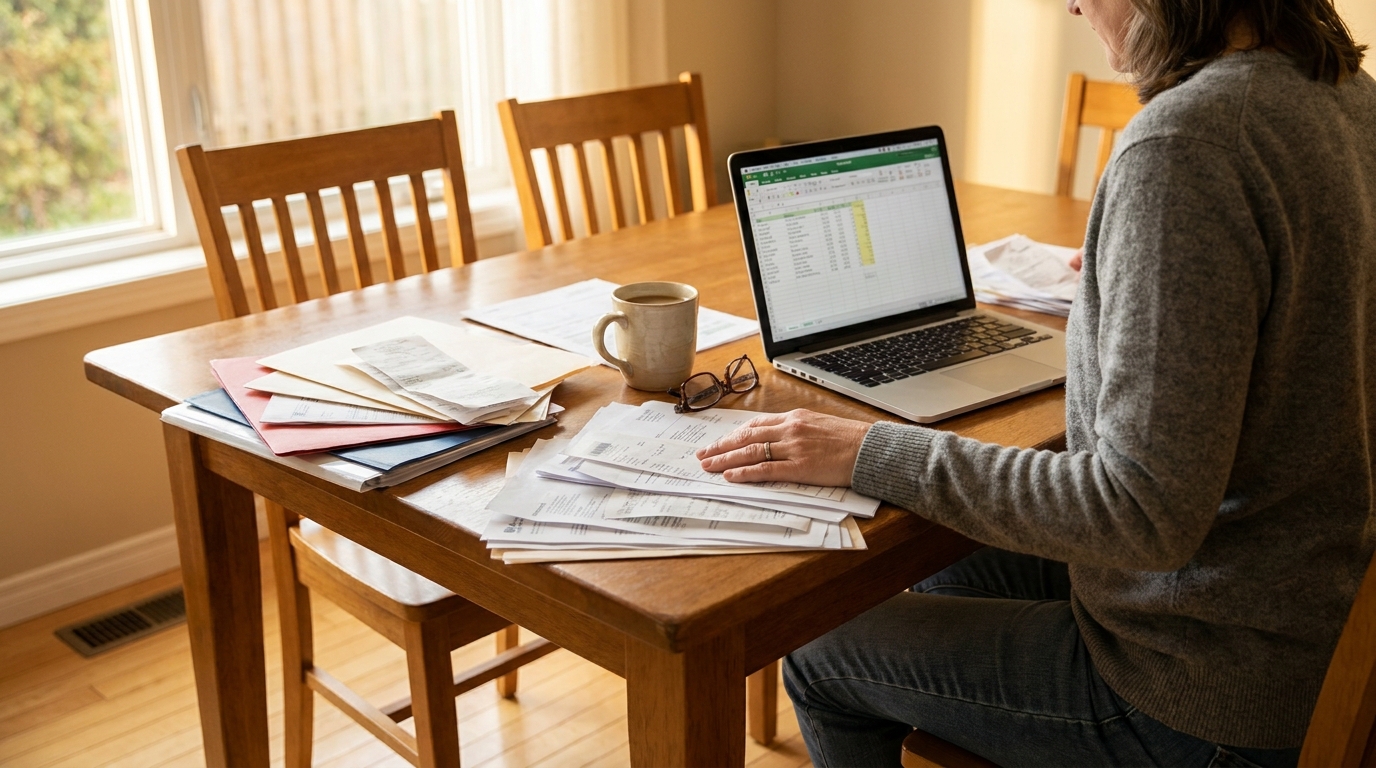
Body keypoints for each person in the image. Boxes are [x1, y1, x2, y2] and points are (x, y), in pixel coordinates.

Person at [696, 0, 1376, 765]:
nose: (1073, 3)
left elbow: (1139, 513)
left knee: (821, 652)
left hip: (1200, 693)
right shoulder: (1346, 93)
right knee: (944, 556)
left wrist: (870, 452)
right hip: (1302, 617)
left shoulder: (1189, 142)